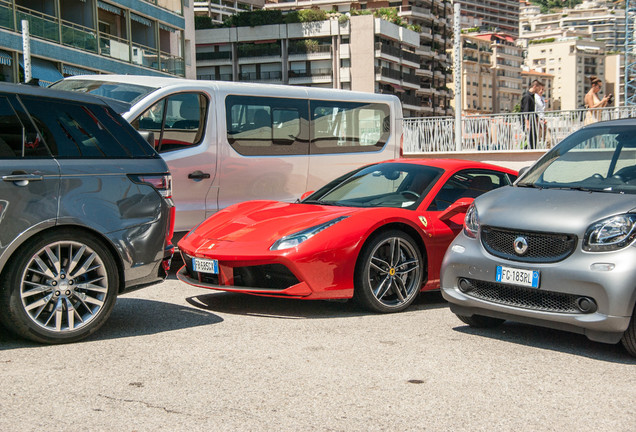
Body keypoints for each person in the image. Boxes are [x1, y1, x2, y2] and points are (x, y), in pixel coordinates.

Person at [520, 79, 543, 149]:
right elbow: (526, 112)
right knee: (530, 140)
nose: (540, 90)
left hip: (532, 122)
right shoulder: (527, 97)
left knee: (534, 140)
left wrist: (538, 121)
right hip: (529, 123)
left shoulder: (532, 96)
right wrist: (527, 124)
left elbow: (533, 112)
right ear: (535, 86)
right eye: (539, 88)